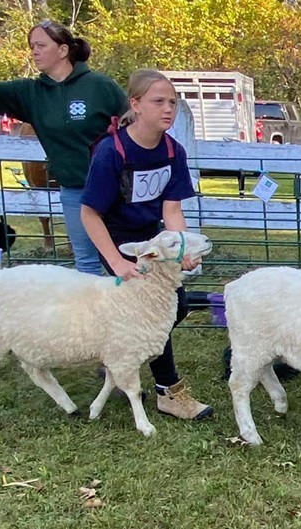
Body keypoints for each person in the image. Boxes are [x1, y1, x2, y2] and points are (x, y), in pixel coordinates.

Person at [0, 20, 128, 274]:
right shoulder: (30, 93)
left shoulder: (101, 87)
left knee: (127, 259)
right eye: (31, 46)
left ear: (63, 50)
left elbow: (134, 125)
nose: (34, 51)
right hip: (76, 194)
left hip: (117, 191)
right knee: (87, 265)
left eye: (41, 45)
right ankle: (90, 314)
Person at [80, 69, 212, 421]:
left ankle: (122, 358)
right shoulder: (112, 152)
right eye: (158, 101)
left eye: (172, 102)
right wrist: (118, 262)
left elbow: (171, 207)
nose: (168, 109)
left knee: (176, 305)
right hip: (117, 242)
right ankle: (168, 391)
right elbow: (90, 214)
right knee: (152, 309)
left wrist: (183, 251)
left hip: (153, 238)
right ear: (135, 105)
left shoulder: (172, 151)